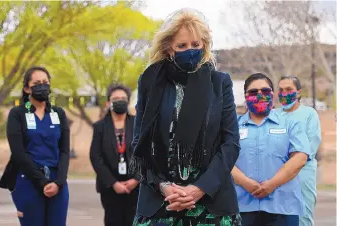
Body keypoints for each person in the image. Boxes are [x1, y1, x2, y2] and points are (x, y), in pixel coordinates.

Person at [130, 9, 242, 226]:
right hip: (160, 201)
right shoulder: (149, 83)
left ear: (204, 45)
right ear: (168, 48)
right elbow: (139, 146)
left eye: (195, 44)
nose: (189, 50)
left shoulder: (219, 83)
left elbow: (231, 144)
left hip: (212, 202)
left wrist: (198, 189)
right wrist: (164, 187)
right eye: (181, 46)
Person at [232, 73, 311, 226]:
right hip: (241, 206)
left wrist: (272, 184)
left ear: (273, 94)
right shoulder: (233, 125)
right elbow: (223, 159)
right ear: (245, 96)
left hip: (283, 207)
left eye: (265, 91)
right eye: (253, 92)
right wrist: (246, 182)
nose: (260, 95)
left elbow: (300, 157)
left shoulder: (290, 123)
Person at [0, 66, 70, 226]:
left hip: (57, 181)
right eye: (37, 82)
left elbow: (64, 151)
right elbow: (18, 152)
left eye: (45, 82)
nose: (42, 86)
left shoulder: (58, 113)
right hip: (28, 180)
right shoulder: (18, 114)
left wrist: (59, 182)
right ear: (26, 88)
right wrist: (42, 182)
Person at [90, 84, 140, 226]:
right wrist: (113, 183)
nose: (119, 101)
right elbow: (96, 157)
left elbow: (145, 154)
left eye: (123, 98)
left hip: (135, 186)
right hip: (110, 187)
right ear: (108, 102)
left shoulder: (138, 124)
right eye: (115, 98)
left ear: (128, 101)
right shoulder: (100, 126)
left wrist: (136, 180)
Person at [276, 75, 322, 226]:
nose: (284, 93)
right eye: (281, 90)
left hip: (302, 174)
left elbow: (310, 146)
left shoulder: (309, 114)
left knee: (302, 217)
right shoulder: (273, 115)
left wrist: (291, 163)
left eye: (289, 89)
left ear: (299, 92)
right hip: (276, 175)